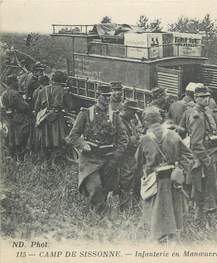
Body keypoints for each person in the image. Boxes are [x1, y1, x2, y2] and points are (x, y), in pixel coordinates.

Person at [66, 85, 128, 214]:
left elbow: (123, 138)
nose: (106, 99)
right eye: (103, 96)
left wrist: (116, 156)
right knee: (95, 187)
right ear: (97, 96)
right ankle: (104, 216)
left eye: (108, 96)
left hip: (109, 158)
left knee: (105, 188)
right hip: (90, 159)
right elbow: (73, 136)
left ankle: (95, 213)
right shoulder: (85, 113)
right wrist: (83, 145)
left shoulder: (115, 116)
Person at [135, 106, 193, 243]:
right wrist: (181, 170)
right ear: (160, 119)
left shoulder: (145, 139)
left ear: (145, 121)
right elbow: (188, 156)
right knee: (174, 207)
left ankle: (157, 238)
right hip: (173, 178)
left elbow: (138, 161)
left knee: (156, 209)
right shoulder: (173, 135)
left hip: (155, 180)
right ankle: (173, 238)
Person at [179, 85, 217, 223]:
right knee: (207, 186)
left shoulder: (205, 111)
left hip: (209, 152)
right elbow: (196, 143)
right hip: (204, 155)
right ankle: (208, 214)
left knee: (202, 185)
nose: (206, 99)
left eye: (207, 96)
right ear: (196, 98)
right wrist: (207, 160)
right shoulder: (197, 115)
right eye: (202, 97)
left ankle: (200, 214)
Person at [34, 71, 71, 164]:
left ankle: (46, 161)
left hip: (45, 117)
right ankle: (56, 161)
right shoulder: (63, 91)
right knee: (58, 139)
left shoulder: (43, 90)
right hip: (57, 117)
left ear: (52, 79)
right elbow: (70, 105)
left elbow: (36, 106)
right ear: (62, 80)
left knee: (46, 139)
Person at [118, 99, 143, 211]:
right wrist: (133, 140)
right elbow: (121, 140)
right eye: (132, 111)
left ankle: (135, 205)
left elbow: (135, 134)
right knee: (125, 182)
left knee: (137, 179)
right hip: (124, 156)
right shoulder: (119, 121)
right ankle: (124, 208)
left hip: (132, 155)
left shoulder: (129, 120)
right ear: (125, 109)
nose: (135, 114)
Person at [0, 74, 31, 160]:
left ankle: (12, 156)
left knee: (11, 137)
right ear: (13, 82)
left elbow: (3, 106)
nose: (18, 83)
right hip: (19, 117)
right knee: (22, 136)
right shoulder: (15, 94)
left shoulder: (4, 93)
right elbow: (23, 107)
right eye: (16, 81)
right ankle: (21, 157)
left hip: (9, 117)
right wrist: (28, 105)